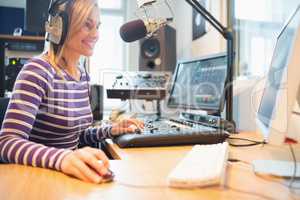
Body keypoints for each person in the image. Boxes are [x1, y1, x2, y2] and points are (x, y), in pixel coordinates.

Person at [0, 0, 143, 184]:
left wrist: (112, 129)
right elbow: (6, 142)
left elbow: (77, 135)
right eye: (87, 25)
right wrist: (62, 158)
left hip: (69, 178)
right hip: (39, 180)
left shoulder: (82, 75)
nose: (96, 34)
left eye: (97, 26)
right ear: (59, 27)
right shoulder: (37, 71)